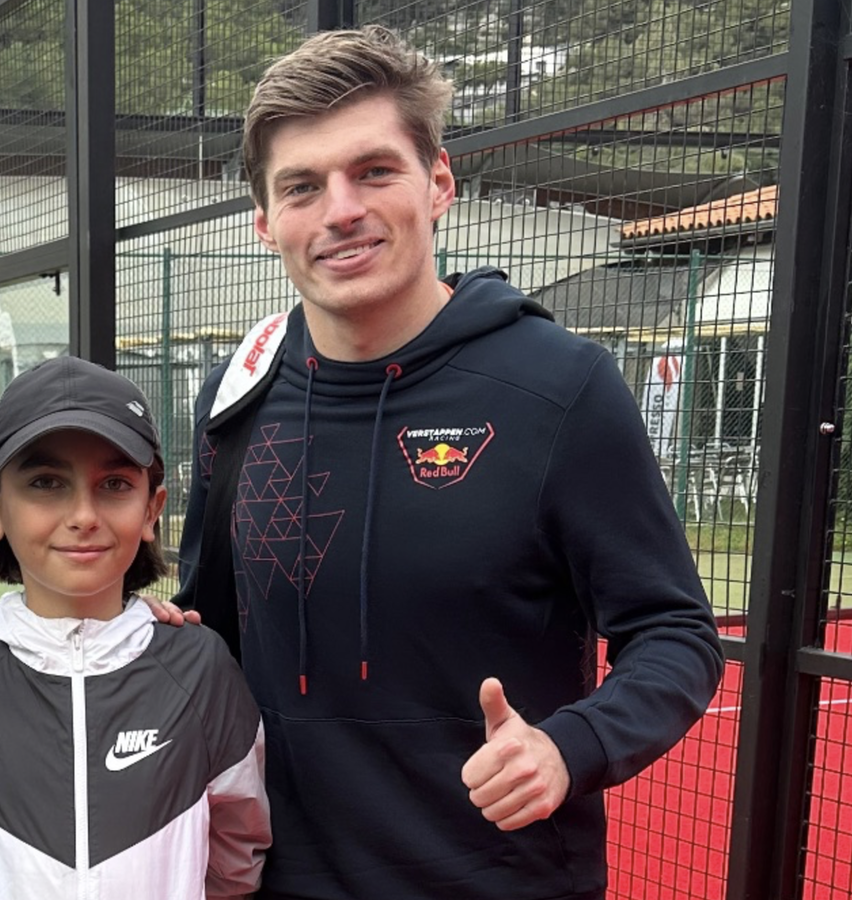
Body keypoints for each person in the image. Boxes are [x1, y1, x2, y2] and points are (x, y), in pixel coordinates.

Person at [172, 25, 723, 900]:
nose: (340, 210)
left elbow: (676, 634)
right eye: (303, 186)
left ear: (438, 183)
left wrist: (568, 746)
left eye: (373, 171)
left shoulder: (560, 387)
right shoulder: (236, 395)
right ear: (267, 223)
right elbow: (211, 637)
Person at [0, 356, 271, 899]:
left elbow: (236, 856)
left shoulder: (201, 669)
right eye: (46, 482)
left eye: (114, 483)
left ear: (152, 510)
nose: (84, 515)